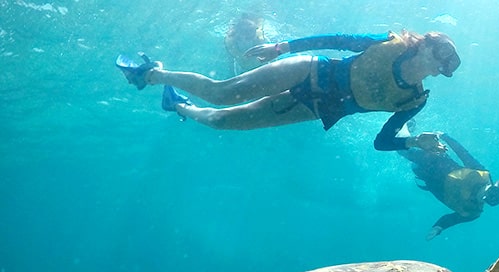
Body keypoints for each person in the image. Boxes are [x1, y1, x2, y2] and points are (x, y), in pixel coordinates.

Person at [115, 30, 461, 152]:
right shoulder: (390, 44)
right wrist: (284, 47)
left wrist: (414, 141)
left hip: (315, 107)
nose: (441, 64)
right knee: (224, 93)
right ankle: (153, 73)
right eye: (442, 53)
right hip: (311, 68)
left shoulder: (413, 100)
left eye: (448, 65)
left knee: (222, 121)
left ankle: (179, 107)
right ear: (424, 44)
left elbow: (381, 142)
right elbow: (337, 40)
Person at [398, 128, 499, 240]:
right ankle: (402, 130)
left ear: (488, 201)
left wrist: (437, 228)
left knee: (408, 156)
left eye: (488, 197)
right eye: (490, 189)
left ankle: (405, 133)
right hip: (435, 160)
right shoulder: (481, 174)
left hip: (426, 176)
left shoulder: (472, 212)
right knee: (403, 150)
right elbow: (463, 153)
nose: (485, 192)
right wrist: (445, 137)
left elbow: (451, 220)